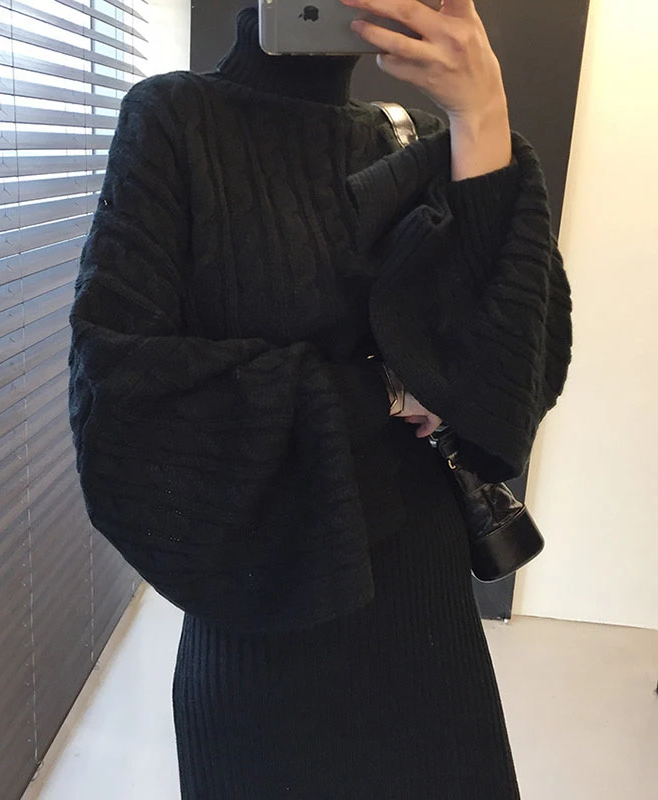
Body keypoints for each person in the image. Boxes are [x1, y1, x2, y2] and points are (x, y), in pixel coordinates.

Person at [68, 0, 572, 796]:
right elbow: (125, 405)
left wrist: (482, 116)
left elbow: (508, 387)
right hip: (259, 631)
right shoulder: (175, 120)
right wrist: (382, 388)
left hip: (427, 633)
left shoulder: (415, 139)